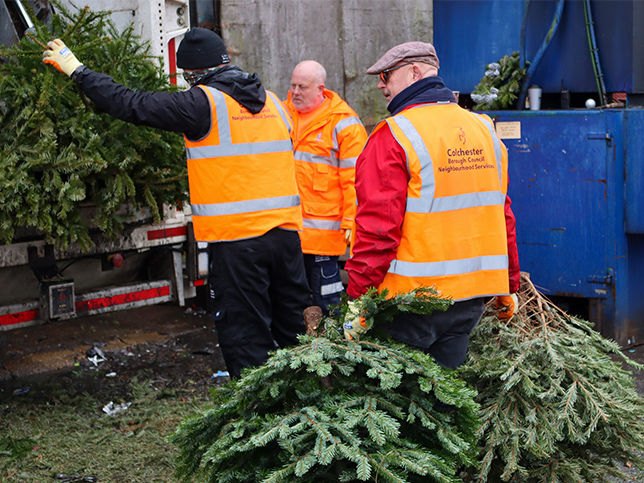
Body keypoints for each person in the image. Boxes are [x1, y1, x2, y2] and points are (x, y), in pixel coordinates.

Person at [41, 28, 313, 378]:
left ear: (192, 73)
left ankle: (264, 423)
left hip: (237, 244)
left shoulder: (202, 103)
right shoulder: (275, 102)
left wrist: (78, 71)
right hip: (286, 239)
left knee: (246, 339)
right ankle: (313, 413)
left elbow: (131, 103)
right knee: (296, 331)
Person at [343, 41, 520, 369]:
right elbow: (502, 213)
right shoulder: (483, 129)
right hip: (469, 302)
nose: (380, 84)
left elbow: (378, 229)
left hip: (410, 305)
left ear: (414, 72)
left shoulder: (393, 135)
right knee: (442, 403)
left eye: (385, 75)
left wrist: (358, 298)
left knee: (396, 409)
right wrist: (509, 285)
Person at [284, 60, 367, 315]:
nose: (295, 92)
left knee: (328, 303)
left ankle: (334, 352)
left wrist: (352, 222)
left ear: (321, 89)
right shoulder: (283, 114)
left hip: (322, 238)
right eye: (293, 85)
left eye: (302, 87)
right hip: (288, 233)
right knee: (293, 303)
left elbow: (356, 180)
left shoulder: (344, 125)